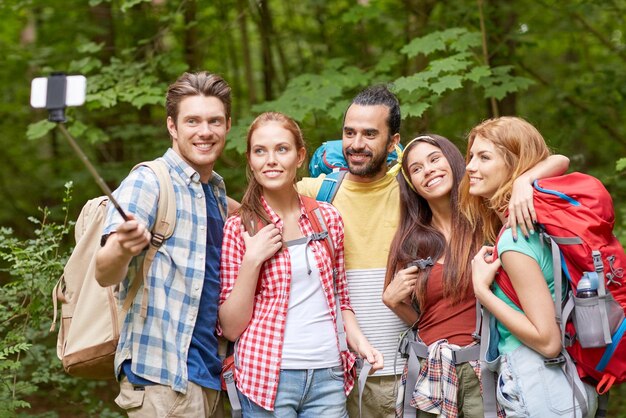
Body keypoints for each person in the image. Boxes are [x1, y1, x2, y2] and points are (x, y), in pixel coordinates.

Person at [382, 134, 569, 417]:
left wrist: (522, 182)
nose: (428, 170)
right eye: (416, 169)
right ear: (412, 185)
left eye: (434, 159)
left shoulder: (488, 216)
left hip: (486, 371)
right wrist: (395, 303)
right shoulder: (410, 241)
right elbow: (431, 320)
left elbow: (560, 161)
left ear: (457, 163)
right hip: (430, 376)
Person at [219, 111, 383, 417]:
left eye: (282, 149)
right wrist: (252, 260)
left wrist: (362, 343)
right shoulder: (239, 228)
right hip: (266, 378)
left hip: (329, 375)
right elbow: (230, 327)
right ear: (250, 161)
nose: (271, 160)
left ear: (299, 156)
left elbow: (340, 299)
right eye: (260, 151)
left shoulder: (327, 217)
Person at [95, 71, 232, 417]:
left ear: (228, 125)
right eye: (193, 121)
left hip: (208, 376)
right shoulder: (149, 181)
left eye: (215, 121)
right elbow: (104, 271)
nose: (205, 131)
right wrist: (122, 247)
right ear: (172, 126)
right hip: (161, 379)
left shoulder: (215, 191)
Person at [462, 116, 598, 417]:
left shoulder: (515, 239)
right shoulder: (539, 222)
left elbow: (547, 341)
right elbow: (558, 160)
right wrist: (525, 180)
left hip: (540, 385)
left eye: (484, 157)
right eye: (471, 156)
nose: (470, 166)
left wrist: (483, 292)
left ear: (513, 164)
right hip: (563, 384)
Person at [297, 85, 407, 417]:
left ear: (392, 142)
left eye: (370, 134)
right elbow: (244, 212)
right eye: (349, 132)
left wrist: (522, 182)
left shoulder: (415, 193)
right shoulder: (315, 193)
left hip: (409, 370)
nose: (356, 144)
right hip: (337, 376)